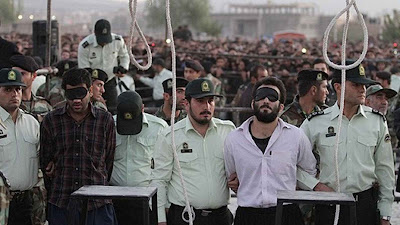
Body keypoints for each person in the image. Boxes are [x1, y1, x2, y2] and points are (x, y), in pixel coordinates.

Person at [224, 77, 328, 225]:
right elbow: (232, 175)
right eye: (261, 96)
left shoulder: (296, 136)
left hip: (287, 213)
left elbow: (308, 170)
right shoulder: (234, 139)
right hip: (248, 214)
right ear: (253, 103)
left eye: (272, 97)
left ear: (280, 107)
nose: (266, 100)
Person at [300, 64, 394, 225]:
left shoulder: (376, 122)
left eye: (364, 85)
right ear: (338, 87)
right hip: (328, 205)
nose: (362, 89)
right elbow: (289, 161)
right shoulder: (316, 122)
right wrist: (315, 185)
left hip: (364, 205)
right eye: (356, 85)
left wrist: (385, 213)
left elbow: (385, 169)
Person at [150, 78, 236, 225]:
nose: (207, 106)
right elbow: (159, 180)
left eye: (210, 101)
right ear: (187, 104)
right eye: (200, 101)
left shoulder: (228, 131)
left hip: (220, 217)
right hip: (185, 218)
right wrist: (160, 219)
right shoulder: (170, 135)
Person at [40, 68, 117, 225]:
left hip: (97, 204)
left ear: (89, 90)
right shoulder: (51, 121)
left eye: (80, 94)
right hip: (62, 202)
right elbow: (45, 161)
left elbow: (108, 160)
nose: (76, 100)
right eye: (71, 95)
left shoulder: (105, 120)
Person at [110, 90, 167, 225]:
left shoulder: (159, 128)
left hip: (146, 200)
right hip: (113, 199)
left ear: (142, 109)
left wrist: (162, 213)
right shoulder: (109, 125)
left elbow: (165, 168)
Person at [10, 55, 53, 225]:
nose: (17, 78)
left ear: (33, 76)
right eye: (14, 73)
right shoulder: (8, 107)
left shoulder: (45, 106)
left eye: (22, 73)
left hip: (39, 178)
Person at [0, 68, 40, 225]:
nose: (14, 94)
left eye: (17, 89)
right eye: (7, 89)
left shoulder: (32, 123)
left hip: (26, 201)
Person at [78, 19, 129, 114]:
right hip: (91, 83)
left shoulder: (117, 41)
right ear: (95, 34)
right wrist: (94, 90)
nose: (104, 43)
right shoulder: (85, 46)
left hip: (110, 80)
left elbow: (124, 56)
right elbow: (84, 70)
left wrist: (123, 68)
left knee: (113, 109)